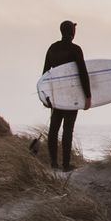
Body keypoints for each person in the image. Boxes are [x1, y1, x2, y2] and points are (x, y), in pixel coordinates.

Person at [32, 20, 91, 171]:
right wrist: (88, 96)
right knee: (67, 129)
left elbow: (45, 74)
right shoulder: (75, 49)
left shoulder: (52, 48)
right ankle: (65, 165)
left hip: (56, 95)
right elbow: (83, 73)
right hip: (71, 95)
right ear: (73, 32)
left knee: (53, 129)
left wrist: (45, 96)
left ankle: (53, 164)